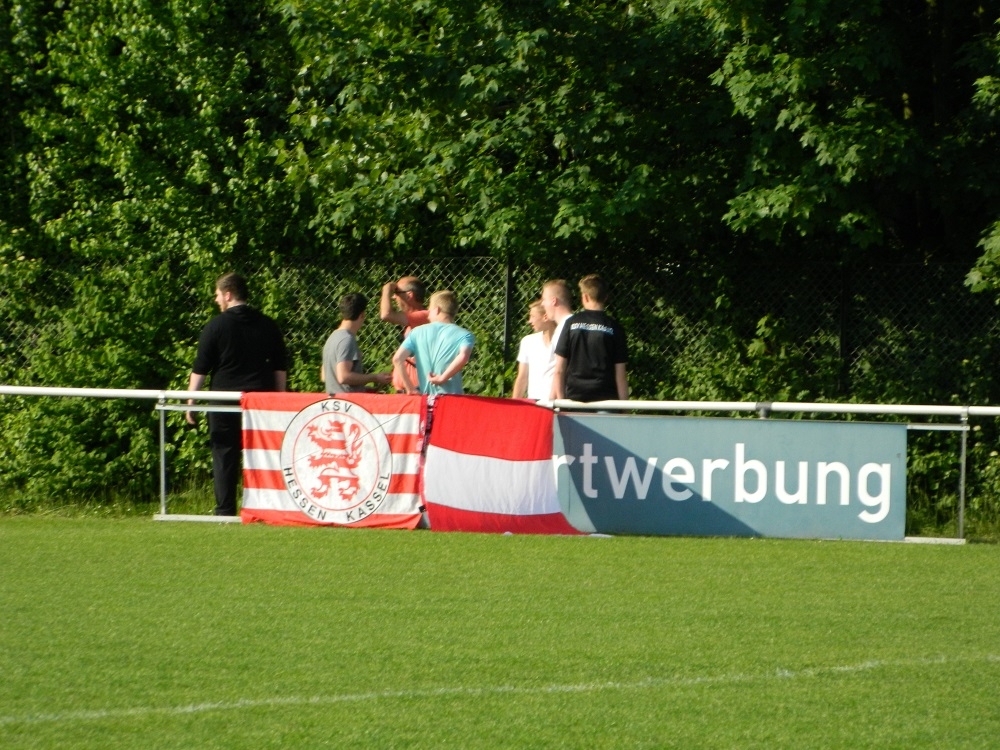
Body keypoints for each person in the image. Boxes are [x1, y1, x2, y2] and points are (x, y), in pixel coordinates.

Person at [185, 272, 288, 516]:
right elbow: (280, 367)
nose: (216, 299)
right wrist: (281, 400)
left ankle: (225, 510)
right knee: (263, 457)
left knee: (224, 454)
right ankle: (266, 509)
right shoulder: (267, 324)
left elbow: (200, 369)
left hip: (223, 400)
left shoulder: (215, 326)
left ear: (228, 294)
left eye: (218, 294)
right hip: (261, 403)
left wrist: (191, 402)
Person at [551, 274, 629, 402]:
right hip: (606, 399)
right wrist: (624, 409)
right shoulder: (615, 327)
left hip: (574, 398)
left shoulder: (571, 323)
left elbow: (559, 370)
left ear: (585, 297)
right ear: (606, 297)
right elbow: (620, 375)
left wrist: (562, 402)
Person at [392, 290, 475, 395]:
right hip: (453, 397)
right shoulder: (465, 335)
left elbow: (397, 359)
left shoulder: (416, 332)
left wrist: (410, 388)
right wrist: (442, 378)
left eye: (429, 310)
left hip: (426, 398)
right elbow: (463, 357)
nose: (428, 315)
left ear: (437, 310)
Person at [321, 292, 392, 395]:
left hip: (333, 403)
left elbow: (324, 376)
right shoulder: (347, 339)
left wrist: (362, 388)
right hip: (348, 406)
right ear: (362, 314)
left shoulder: (332, 338)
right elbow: (343, 377)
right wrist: (375, 377)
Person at [381, 276, 430, 393]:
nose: (394, 297)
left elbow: (386, 315)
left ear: (409, 295)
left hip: (417, 390)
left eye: (397, 292)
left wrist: (386, 289)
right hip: (408, 391)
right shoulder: (412, 322)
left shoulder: (423, 316)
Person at [512, 300, 557, 400]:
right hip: (534, 402)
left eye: (533, 316)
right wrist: (514, 406)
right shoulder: (527, 342)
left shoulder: (564, 340)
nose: (529, 321)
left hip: (558, 403)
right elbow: (522, 377)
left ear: (545, 317)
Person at [539, 279, 576, 397]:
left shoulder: (566, 327)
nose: (542, 304)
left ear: (554, 301)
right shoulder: (564, 326)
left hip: (559, 400)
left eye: (544, 299)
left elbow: (559, 370)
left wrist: (558, 403)